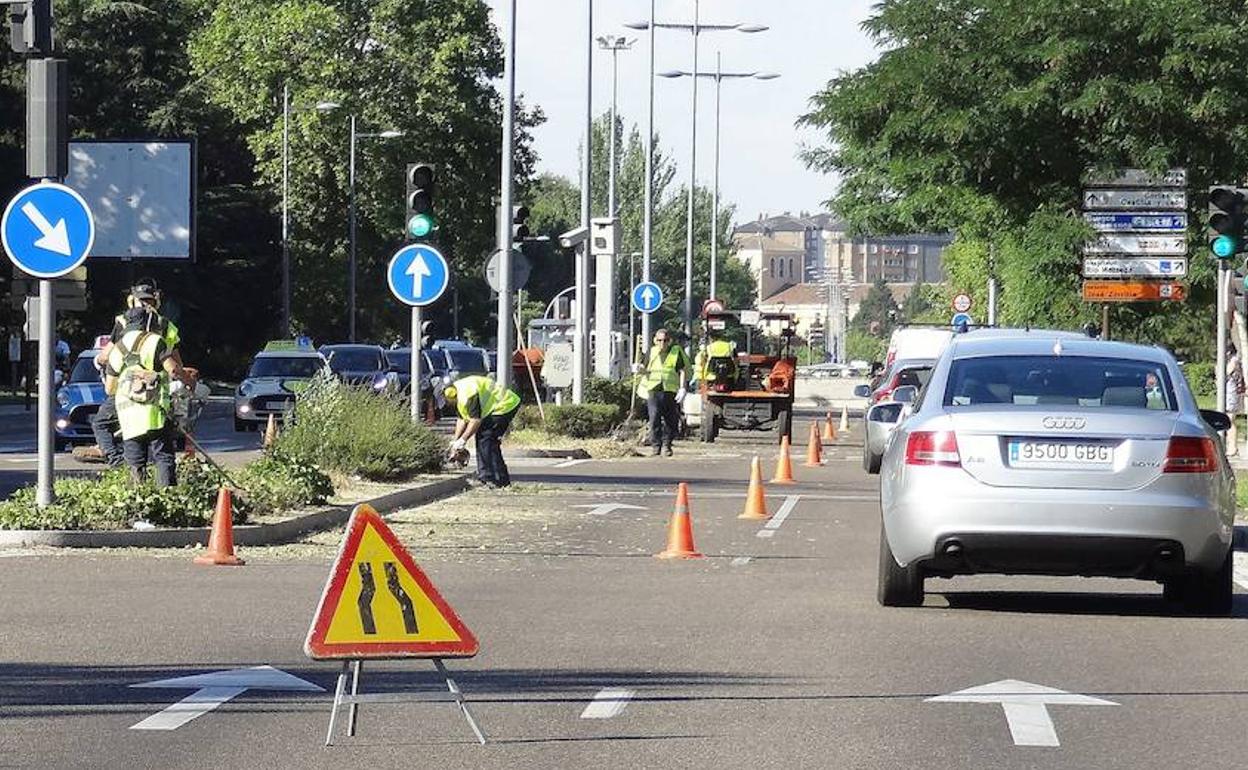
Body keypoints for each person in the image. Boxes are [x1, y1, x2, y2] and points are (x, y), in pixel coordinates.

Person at [94, 280, 183, 468]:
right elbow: (175, 365)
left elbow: (106, 358)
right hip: (158, 394)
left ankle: (116, 462)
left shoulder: (123, 322)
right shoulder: (166, 326)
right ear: (156, 301)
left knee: (101, 423)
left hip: (128, 394)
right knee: (162, 451)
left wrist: (101, 361)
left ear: (131, 301)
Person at [105, 306, 191, 487]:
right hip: (155, 412)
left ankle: (139, 502)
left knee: (135, 461)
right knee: (163, 457)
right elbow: (173, 369)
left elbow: (109, 388)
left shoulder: (118, 348)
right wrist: (187, 382)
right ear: (146, 323)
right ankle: (166, 499)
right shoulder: (154, 341)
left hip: (128, 418)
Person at [444, 374, 521, 488]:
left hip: (505, 405)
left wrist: (463, 440)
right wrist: (455, 442)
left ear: (451, 396)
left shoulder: (468, 395)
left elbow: (475, 421)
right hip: (497, 407)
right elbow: (462, 419)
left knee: (486, 439)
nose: (447, 404)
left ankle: (489, 478)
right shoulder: (459, 392)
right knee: (488, 441)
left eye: (447, 402)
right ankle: (500, 480)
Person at [636, 328, 690, 457]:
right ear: (655, 340)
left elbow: (682, 370)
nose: (662, 343)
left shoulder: (676, 352)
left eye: (665, 340)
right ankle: (656, 446)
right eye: (659, 340)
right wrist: (639, 369)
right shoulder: (652, 351)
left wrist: (683, 388)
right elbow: (645, 368)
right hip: (653, 389)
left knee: (670, 420)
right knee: (654, 418)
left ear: (669, 341)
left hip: (670, 391)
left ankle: (667, 444)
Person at [1227, 347, 1244, 456]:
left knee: (1230, 420)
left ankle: (1233, 447)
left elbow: (1226, 372)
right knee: (1229, 420)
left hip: (1231, 394)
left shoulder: (1233, 361)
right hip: (1229, 393)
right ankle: (1231, 446)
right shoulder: (1233, 360)